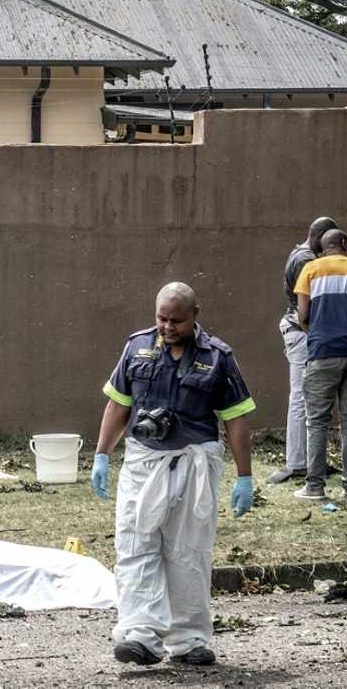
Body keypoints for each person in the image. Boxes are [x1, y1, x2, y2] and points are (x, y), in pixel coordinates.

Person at [90, 282, 256, 667]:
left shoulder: (218, 358)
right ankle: (140, 634)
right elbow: (118, 405)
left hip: (193, 462)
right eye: (161, 318)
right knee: (135, 545)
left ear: (195, 314)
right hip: (143, 461)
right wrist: (101, 454)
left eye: (176, 320)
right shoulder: (137, 347)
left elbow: (235, 420)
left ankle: (188, 639)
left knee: (188, 552)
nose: (167, 326)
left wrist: (244, 475)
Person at [291, 229, 347, 500]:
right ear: (344, 243)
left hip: (322, 354)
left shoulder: (309, 271)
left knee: (317, 422)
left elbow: (302, 315)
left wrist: (317, 334)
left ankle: (315, 487)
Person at [269, 216, 339, 485]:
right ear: (320, 235)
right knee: (300, 398)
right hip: (301, 333)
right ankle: (297, 463)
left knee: (307, 398)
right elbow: (310, 304)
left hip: (299, 331)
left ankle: (309, 460)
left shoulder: (301, 254)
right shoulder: (306, 261)